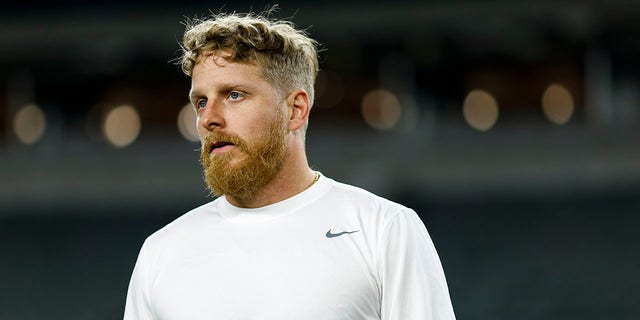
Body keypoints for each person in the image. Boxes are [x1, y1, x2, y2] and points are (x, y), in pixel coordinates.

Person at [124, 10, 456, 320]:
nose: (208, 118)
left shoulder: (383, 230)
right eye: (200, 101)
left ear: (295, 110)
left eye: (234, 95)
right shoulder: (161, 253)